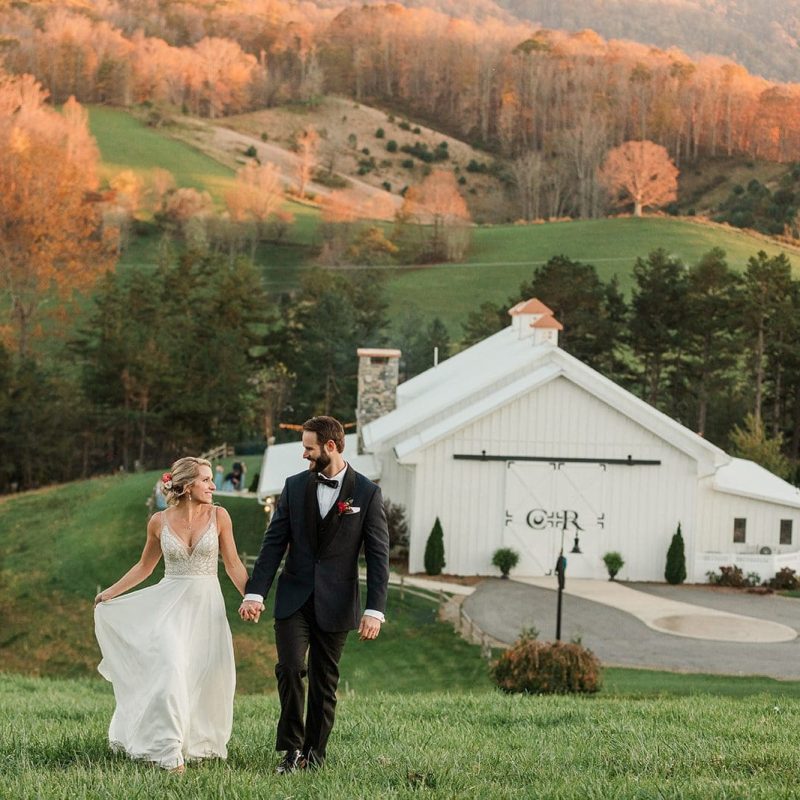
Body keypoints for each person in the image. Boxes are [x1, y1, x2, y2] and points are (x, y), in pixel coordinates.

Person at [239, 416, 389, 774]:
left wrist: (375, 610)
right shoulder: (293, 487)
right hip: (294, 598)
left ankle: (314, 756)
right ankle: (290, 751)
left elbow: (379, 555)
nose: (305, 455)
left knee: (324, 681)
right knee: (290, 668)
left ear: (331, 447)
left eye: (309, 447)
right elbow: (273, 543)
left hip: (338, 603)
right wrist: (256, 593)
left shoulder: (367, 493)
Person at [94, 457, 249, 773]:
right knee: (170, 671)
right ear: (187, 485)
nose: (212, 485)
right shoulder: (158, 521)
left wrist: (252, 597)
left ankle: (194, 744)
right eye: (205, 480)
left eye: (210, 479)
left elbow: (233, 564)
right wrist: (110, 592)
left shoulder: (220, 516)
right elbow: (145, 567)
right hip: (169, 605)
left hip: (207, 607)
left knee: (205, 678)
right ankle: (168, 752)